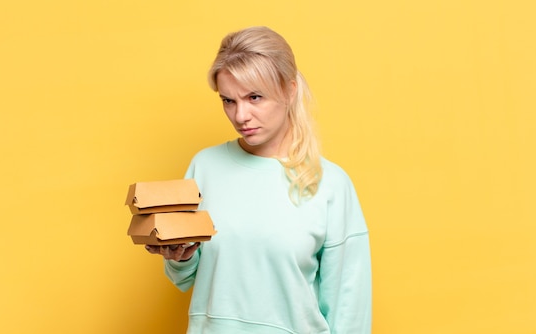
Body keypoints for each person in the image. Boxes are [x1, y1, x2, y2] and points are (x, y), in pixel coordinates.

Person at [145, 26, 372, 334]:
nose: (241, 116)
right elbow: (185, 278)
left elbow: (349, 309)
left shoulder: (331, 184)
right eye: (228, 100)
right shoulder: (205, 166)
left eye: (255, 97)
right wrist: (179, 257)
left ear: (290, 90)